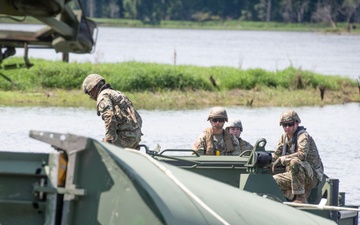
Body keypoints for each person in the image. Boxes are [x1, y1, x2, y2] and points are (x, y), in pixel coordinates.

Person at [272, 109, 324, 204]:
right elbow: (276, 156)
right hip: (295, 175)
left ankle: (301, 198)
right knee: (274, 180)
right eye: (284, 125)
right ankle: (284, 199)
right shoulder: (284, 138)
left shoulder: (303, 136)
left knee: (294, 162)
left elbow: (301, 155)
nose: (287, 128)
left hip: (312, 176)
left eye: (290, 124)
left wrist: (284, 158)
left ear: (296, 123)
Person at [82, 74, 143, 149]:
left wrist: (108, 140)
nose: (90, 96)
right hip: (135, 135)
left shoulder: (103, 96)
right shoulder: (115, 93)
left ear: (93, 88)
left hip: (126, 137)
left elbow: (109, 117)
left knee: (99, 150)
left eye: (89, 93)